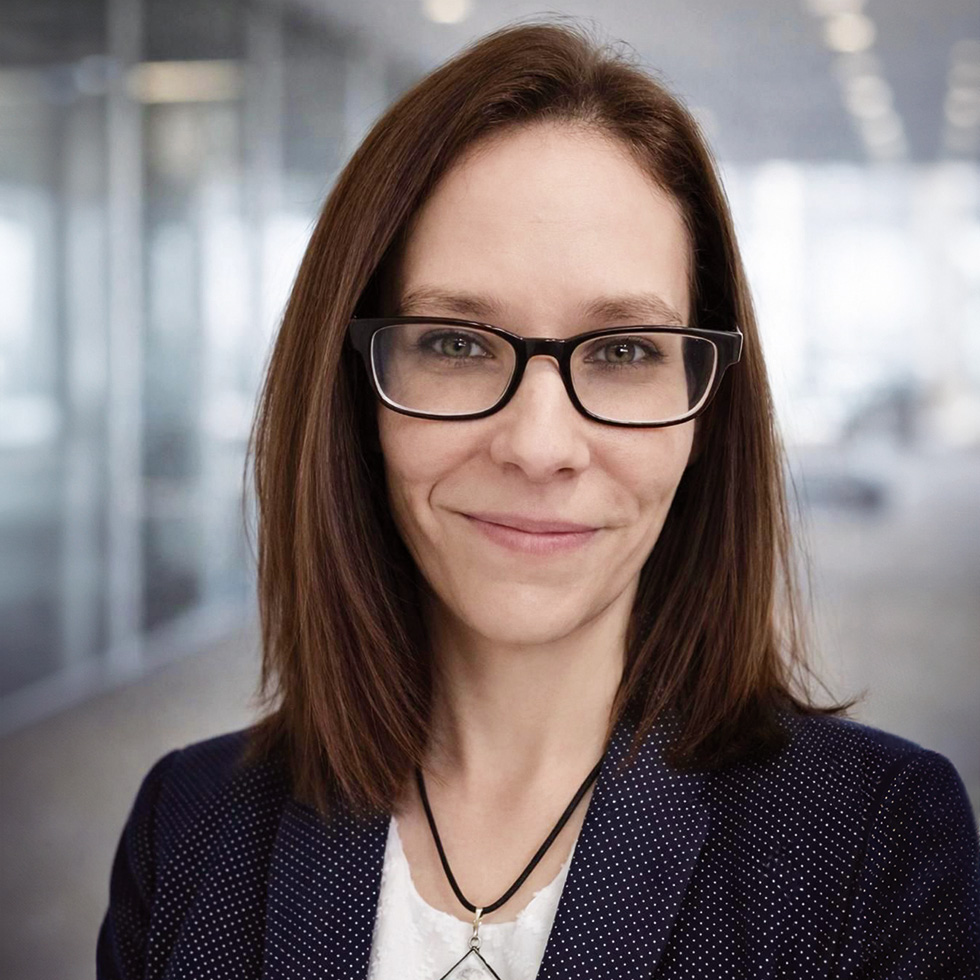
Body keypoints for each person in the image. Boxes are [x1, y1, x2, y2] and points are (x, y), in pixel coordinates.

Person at [96, 20, 980, 980]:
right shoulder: (188, 828)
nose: (540, 446)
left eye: (625, 351)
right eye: (457, 343)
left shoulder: (872, 845)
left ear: (705, 415)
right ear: (354, 389)